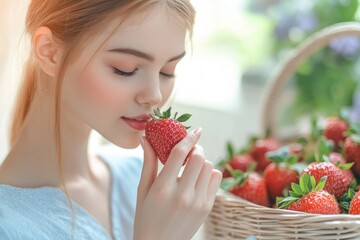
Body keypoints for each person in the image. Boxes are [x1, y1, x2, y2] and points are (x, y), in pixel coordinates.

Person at [0, 1, 222, 240]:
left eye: (167, 71)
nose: (155, 95)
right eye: (125, 69)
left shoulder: (138, 176)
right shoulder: (8, 226)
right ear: (50, 52)